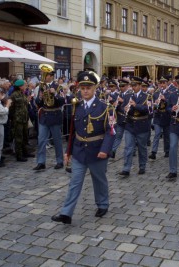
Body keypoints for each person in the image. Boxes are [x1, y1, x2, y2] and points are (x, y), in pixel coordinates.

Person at [51, 71, 115, 224]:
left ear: (95, 89)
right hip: (79, 151)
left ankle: (102, 204)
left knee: (99, 180)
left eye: (88, 88)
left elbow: (111, 131)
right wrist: (69, 151)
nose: (85, 91)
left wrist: (105, 150)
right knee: (75, 181)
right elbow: (73, 131)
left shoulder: (106, 108)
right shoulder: (76, 106)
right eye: (83, 88)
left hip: (97, 150)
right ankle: (66, 213)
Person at [118, 77, 151, 177]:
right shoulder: (128, 96)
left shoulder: (147, 96)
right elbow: (123, 108)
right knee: (128, 147)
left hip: (142, 124)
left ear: (140, 86)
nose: (133, 87)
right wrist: (125, 108)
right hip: (130, 124)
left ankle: (142, 166)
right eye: (132, 86)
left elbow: (148, 109)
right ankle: (126, 168)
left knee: (142, 147)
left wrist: (135, 105)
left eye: (135, 85)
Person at [33, 71, 65, 170]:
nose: (44, 77)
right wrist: (40, 97)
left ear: (51, 76)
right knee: (41, 139)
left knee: (57, 140)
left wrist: (54, 93)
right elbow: (38, 102)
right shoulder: (42, 87)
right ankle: (41, 162)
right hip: (45, 115)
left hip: (55, 115)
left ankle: (60, 161)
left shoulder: (58, 86)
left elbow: (62, 101)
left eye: (45, 75)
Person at [9, 80, 35, 162]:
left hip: (24, 118)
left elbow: (24, 104)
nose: (26, 86)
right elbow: (11, 108)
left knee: (25, 136)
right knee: (19, 137)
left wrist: (28, 99)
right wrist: (13, 117)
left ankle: (25, 152)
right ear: (20, 86)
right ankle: (19, 155)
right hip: (17, 119)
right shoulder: (14, 95)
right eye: (24, 85)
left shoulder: (22, 93)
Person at [149, 75, 172, 159]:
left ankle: (167, 151)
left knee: (167, 135)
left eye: (163, 83)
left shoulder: (170, 93)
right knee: (157, 134)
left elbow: (171, 104)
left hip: (166, 116)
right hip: (158, 116)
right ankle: (154, 152)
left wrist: (165, 99)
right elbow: (152, 105)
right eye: (160, 83)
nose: (162, 85)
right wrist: (155, 104)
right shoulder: (156, 93)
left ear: (166, 83)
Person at [110, 79, 130, 158]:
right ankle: (113, 151)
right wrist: (115, 104)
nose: (121, 88)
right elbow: (116, 107)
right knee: (118, 136)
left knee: (129, 137)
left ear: (127, 86)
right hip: (120, 118)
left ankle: (132, 150)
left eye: (123, 86)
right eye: (120, 86)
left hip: (128, 119)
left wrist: (123, 101)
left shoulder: (130, 94)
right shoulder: (119, 94)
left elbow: (129, 104)